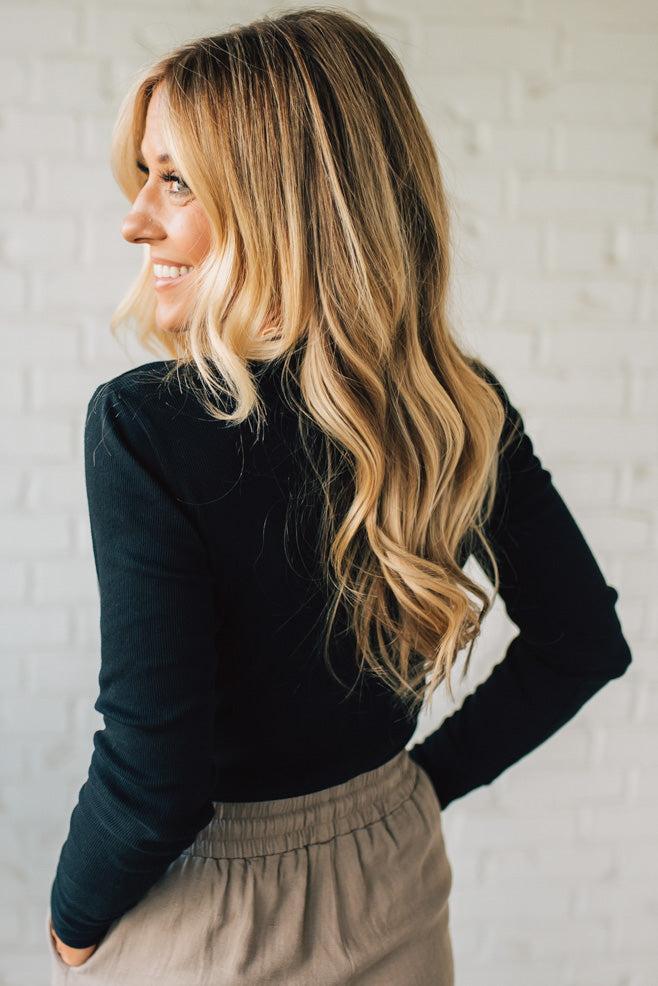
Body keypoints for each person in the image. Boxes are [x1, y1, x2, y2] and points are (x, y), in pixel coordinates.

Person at [45, 8, 633, 984]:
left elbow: (154, 776)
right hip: (394, 875)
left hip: (211, 917)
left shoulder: (146, 424)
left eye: (175, 180)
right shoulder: (454, 410)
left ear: (281, 205)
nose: (134, 218)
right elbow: (585, 641)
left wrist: (71, 917)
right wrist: (416, 791)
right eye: (143, 174)